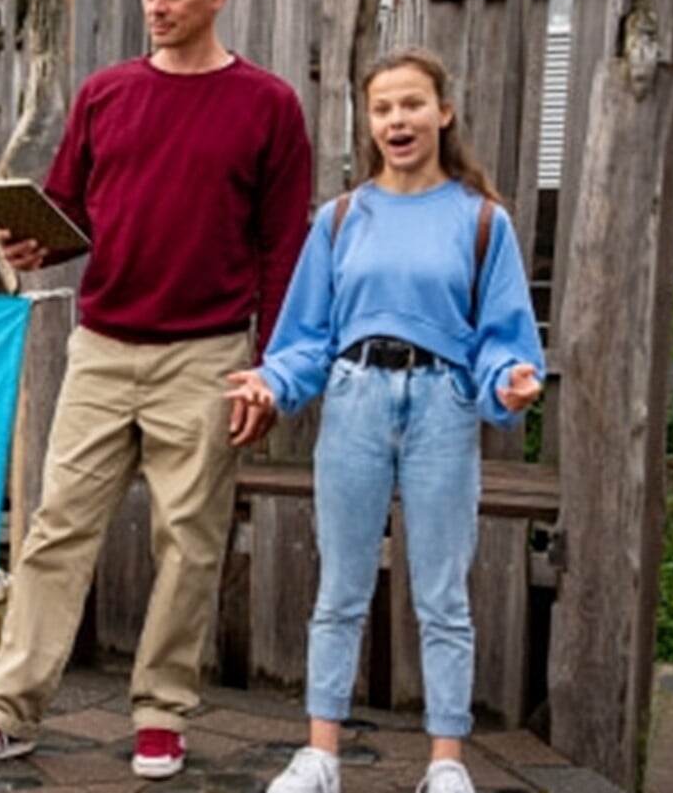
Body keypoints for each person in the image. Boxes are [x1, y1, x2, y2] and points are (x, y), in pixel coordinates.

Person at [0, 0, 313, 780]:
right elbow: (71, 212)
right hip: (101, 349)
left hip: (208, 355)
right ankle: (5, 709)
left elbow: (283, 245)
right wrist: (36, 244)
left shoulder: (269, 104)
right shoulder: (106, 93)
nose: (157, 7)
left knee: (191, 539)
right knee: (55, 530)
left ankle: (161, 713)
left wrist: (270, 368)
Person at [225, 47, 545, 793]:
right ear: (367, 121)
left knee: (441, 594)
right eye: (381, 108)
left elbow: (502, 339)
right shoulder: (340, 218)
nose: (396, 119)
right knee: (339, 588)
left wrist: (511, 380)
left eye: (410, 103)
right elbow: (304, 336)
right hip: (355, 401)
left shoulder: (481, 222)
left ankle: (444, 765)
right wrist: (273, 379)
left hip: (442, 407)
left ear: (443, 111)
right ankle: (320, 755)